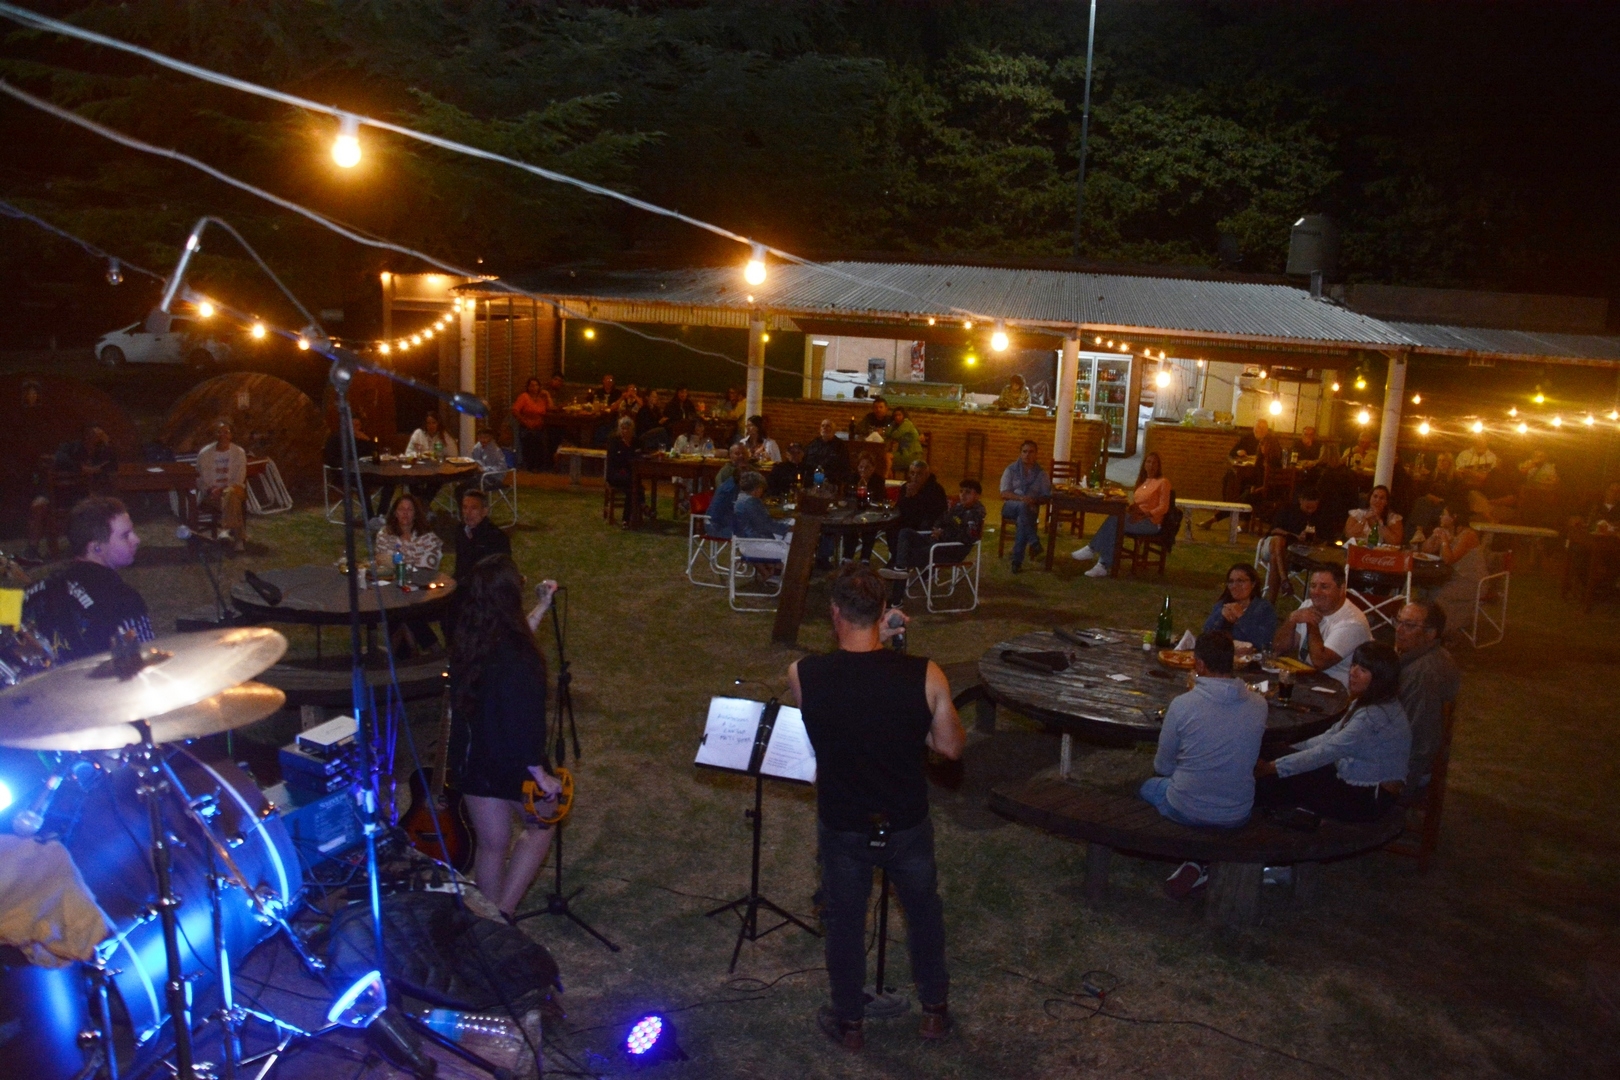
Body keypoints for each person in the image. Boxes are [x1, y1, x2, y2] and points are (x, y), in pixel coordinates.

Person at [788, 564, 964, 1051]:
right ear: (884, 610)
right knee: (924, 914)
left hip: (843, 822)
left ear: (834, 612)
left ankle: (850, 1023)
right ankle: (934, 1013)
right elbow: (949, 747)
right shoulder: (925, 674)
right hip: (905, 821)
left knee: (845, 923)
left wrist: (874, 642)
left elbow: (844, 703)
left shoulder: (804, 674)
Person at [448, 555, 563, 918]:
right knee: (541, 827)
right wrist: (539, 774)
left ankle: (487, 923)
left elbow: (512, 639)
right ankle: (503, 914)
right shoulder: (521, 658)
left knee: (492, 845)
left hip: (475, 759)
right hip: (513, 762)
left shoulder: (469, 639)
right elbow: (524, 718)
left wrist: (541, 607)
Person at [1142, 631, 1269, 895]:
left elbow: (1163, 767)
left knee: (1147, 787)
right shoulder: (1259, 705)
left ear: (1199, 664)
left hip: (1186, 807)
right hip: (1237, 811)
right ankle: (1199, 863)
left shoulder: (1182, 705)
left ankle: (1193, 858)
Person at [1255, 642, 1410, 822]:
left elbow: (1326, 752)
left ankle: (1246, 814)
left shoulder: (1372, 716)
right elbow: (1330, 736)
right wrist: (1288, 749)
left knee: (1282, 778)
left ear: (1380, 678)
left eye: (1363, 670)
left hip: (1368, 798)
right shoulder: (1373, 701)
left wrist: (1272, 767)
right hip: (1353, 778)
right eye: (1354, 665)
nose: (1353, 673)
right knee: (1273, 754)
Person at [23, 496, 153, 660]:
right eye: (125, 535)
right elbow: (142, 661)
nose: (137, 540)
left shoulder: (40, 587)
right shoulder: (124, 599)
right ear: (96, 547)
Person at [1393, 601, 1460, 792]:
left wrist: (1397, 789)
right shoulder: (1433, 656)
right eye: (1398, 622)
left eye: (1409, 625)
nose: (1399, 630)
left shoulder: (1422, 676)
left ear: (1431, 634)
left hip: (1405, 772)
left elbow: (1418, 742)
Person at [1270, 564, 1372, 687]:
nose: (1316, 592)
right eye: (1313, 586)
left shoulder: (1352, 622)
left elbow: (1320, 662)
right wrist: (1291, 620)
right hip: (1306, 678)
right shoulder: (1308, 605)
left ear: (1341, 589)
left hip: (1335, 687)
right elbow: (1278, 648)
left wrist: (1312, 622)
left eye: (1324, 587)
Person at [1073, 451, 1170, 578]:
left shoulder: (1163, 482)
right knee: (1115, 520)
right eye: (1149, 462)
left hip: (1151, 522)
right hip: (1137, 517)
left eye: (1155, 463)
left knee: (1115, 520)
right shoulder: (1143, 482)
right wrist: (1131, 508)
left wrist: (1145, 515)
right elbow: (1139, 503)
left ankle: (1093, 551)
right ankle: (1101, 564)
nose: (1151, 465)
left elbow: (1163, 507)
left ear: (1159, 466)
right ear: (1144, 464)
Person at [883, 479, 985, 597]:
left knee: (905, 556)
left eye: (968, 492)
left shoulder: (975, 514)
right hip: (936, 543)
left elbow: (967, 538)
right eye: (961, 491)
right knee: (905, 533)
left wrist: (942, 534)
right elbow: (942, 518)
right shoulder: (958, 507)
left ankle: (896, 595)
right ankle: (899, 568)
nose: (963, 495)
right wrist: (937, 529)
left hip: (950, 552)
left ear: (977, 496)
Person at [376, 493, 444, 654]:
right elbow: (383, 562)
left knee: (404, 611)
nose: (405, 513)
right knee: (401, 609)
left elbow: (427, 568)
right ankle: (429, 649)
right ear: (395, 512)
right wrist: (408, 565)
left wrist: (399, 565)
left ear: (416, 513)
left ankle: (395, 653)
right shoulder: (385, 535)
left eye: (409, 509)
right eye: (401, 509)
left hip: (421, 590)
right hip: (393, 589)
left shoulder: (427, 538)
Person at [1261, 486, 1336, 601]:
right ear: (1300, 500)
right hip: (1272, 545)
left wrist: (1313, 538)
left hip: (1295, 553)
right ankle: (1284, 579)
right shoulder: (1287, 510)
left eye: (1313, 507)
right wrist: (1295, 536)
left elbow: (1325, 539)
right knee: (1279, 541)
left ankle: (1275, 595)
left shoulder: (1320, 516)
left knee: (1275, 558)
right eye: (1307, 507)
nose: (1310, 510)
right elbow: (1274, 530)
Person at [1421, 501, 1486, 631]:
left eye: (1444, 514)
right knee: (1423, 590)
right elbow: (1425, 551)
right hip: (1450, 577)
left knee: (1438, 596)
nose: (1440, 517)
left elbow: (1449, 559)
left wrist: (1445, 541)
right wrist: (1433, 537)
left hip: (1470, 582)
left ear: (1454, 517)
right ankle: (1423, 626)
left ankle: (1441, 629)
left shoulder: (1468, 535)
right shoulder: (1447, 531)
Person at [194, 420, 249, 552]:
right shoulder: (205, 453)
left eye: (226, 432)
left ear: (231, 435)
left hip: (234, 490)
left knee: (231, 493)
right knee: (232, 501)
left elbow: (239, 479)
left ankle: (225, 529)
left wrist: (222, 489)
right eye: (219, 432)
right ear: (215, 434)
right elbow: (199, 478)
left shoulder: (239, 452)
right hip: (212, 495)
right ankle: (238, 539)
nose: (223, 435)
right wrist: (210, 489)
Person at [999, 440, 1050, 572]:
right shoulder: (1011, 470)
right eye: (1024, 452)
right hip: (1011, 507)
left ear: (1036, 454)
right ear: (1020, 453)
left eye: (1031, 452)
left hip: (1030, 509)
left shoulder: (1042, 474)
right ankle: (1033, 541)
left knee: (1023, 520)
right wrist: (1022, 499)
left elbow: (1046, 497)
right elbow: (1004, 493)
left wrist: (1033, 501)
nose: (1027, 455)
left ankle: (1017, 562)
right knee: (1022, 507)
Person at [1202, 563, 1277, 647]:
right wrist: (1220, 615)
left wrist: (1242, 618)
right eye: (1231, 582)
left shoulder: (1264, 609)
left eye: (1240, 581)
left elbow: (1265, 641)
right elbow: (1205, 635)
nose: (1234, 586)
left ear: (1253, 584)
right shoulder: (1222, 605)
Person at [889, 459, 948, 553]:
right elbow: (899, 508)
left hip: (925, 524)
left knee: (903, 531)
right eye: (912, 473)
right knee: (891, 526)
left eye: (919, 474)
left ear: (927, 475)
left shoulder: (936, 489)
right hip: (907, 521)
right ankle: (895, 556)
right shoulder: (906, 487)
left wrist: (916, 496)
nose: (915, 477)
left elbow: (936, 511)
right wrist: (907, 497)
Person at [453, 489, 510, 583]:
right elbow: (459, 566)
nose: (468, 513)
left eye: (473, 508)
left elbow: (500, 572)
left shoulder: (496, 537)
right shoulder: (461, 531)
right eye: (465, 507)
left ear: (484, 511)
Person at [844, 453, 889, 561]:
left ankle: (865, 558)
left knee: (870, 526)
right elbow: (847, 496)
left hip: (872, 512)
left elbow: (880, 498)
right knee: (850, 526)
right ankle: (847, 558)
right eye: (861, 467)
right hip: (854, 512)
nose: (863, 470)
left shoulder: (878, 480)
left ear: (873, 468)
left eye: (867, 467)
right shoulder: (853, 478)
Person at [605, 415, 643, 525]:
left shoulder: (636, 442)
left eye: (627, 428)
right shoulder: (614, 441)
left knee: (633, 485)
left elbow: (641, 455)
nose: (625, 431)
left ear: (632, 429)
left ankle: (626, 518)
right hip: (616, 473)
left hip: (631, 473)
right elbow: (614, 460)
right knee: (635, 485)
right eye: (622, 428)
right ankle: (641, 507)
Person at [511, 378, 549, 471]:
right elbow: (515, 410)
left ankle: (542, 465)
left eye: (536, 385)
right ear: (528, 387)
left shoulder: (541, 398)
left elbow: (550, 408)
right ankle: (531, 466)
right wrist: (524, 421)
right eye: (532, 385)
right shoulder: (524, 397)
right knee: (531, 439)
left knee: (546, 439)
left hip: (539, 427)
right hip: (527, 427)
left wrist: (548, 396)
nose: (534, 388)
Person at [804, 418, 848, 485]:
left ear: (833, 430)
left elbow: (843, 467)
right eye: (823, 426)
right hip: (812, 479)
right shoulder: (813, 444)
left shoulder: (840, 446)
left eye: (828, 426)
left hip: (830, 481)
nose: (825, 428)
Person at [886, 406, 925, 476]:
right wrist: (892, 424)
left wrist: (891, 424)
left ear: (904, 415)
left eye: (899, 415)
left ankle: (886, 478)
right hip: (905, 453)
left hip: (912, 454)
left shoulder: (906, 423)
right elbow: (887, 434)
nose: (897, 417)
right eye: (895, 415)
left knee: (885, 460)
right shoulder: (899, 425)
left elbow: (895, 435)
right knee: (885, 460)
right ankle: (888, 477)